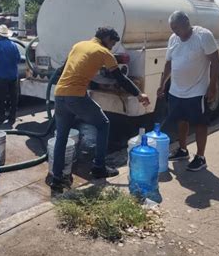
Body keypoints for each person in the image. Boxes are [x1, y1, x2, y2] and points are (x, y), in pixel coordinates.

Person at [49, 27, 150, 193]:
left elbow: (65, 69)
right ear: (106, 38)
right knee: (103, 123)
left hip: (60, 94)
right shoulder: (103, 52)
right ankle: (99, 168)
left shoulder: (79, 45)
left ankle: (57, 179)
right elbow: (119, 78)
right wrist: (139, 94)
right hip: (76, 96)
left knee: (61, 137)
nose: (112, 47)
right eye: (112, 43)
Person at [157, 11, 219, 171]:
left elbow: (215, 61)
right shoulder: (174, 39)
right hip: (176, 90)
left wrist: (212, 86)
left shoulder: (203, 36)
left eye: (177, 28)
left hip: (197, 91)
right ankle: (183, 150)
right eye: (172, 29)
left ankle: (200, 157)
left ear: (186, 22)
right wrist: (162, 83)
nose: (175, 32)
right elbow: (168, 63)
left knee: (200, 123)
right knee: (181, 120)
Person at [0, 25, 21, 124]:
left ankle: (1, 117)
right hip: (13, 75)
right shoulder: (14, 45)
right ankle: (12, 117)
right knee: (13, 97)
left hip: (1, 76)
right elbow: (18, 59)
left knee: (1, 98)